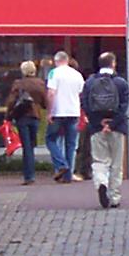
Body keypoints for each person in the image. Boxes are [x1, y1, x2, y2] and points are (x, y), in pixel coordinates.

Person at [82, 51, 129, 208]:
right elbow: (124, 107)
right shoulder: (121, 83)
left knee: (99, 160)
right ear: (113, 63)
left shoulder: (89, 83)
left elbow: (86, 105)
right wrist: (112, 124)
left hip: (97, 128)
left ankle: (101, 182)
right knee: (116, 163)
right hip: (117, 128)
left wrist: (99, 122)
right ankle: (114, 196)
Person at [3, 60, 48, 185]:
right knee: (32, 145)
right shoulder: (40, 83)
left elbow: (11, 101)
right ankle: (31, 171)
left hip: (22, 116)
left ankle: (29, 176)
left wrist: (7, 116)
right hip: (36, 116)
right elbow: (45, 101)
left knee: (26, 147)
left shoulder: (19, 84)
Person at [45, 51, 84, 182]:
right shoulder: (77, 74)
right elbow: (80, 93)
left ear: (56, 61)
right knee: (71, 144)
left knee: (50, 139)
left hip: (58, 111)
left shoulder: (54, 73)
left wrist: (49, 112)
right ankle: (68, 176)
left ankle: (61, 164)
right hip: (73, 111)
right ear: (67, 60)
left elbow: (51, 93)